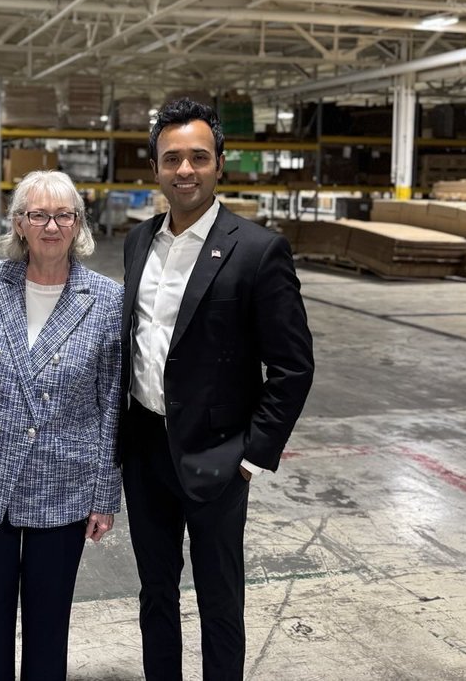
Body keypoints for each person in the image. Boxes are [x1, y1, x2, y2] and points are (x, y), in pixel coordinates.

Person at [120, 98, 315, 681]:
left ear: (220, 164)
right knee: (155, 592)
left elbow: (293, 366)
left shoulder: (257, 250)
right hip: (145, 447)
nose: (185, 170)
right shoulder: (138, 242)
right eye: (172, 158)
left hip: (219, 455)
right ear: (155, 168)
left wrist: (252, 455)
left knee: (219, 598)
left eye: (198, 157)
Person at [0, 169, 123, 681]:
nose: (51, 226)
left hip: (64, 482)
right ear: (18, 223)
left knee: (49, 624)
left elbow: (111, 404)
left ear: (78, 223)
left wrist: (105, 494)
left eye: (63, 215)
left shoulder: (106, 298)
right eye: (38, 215)